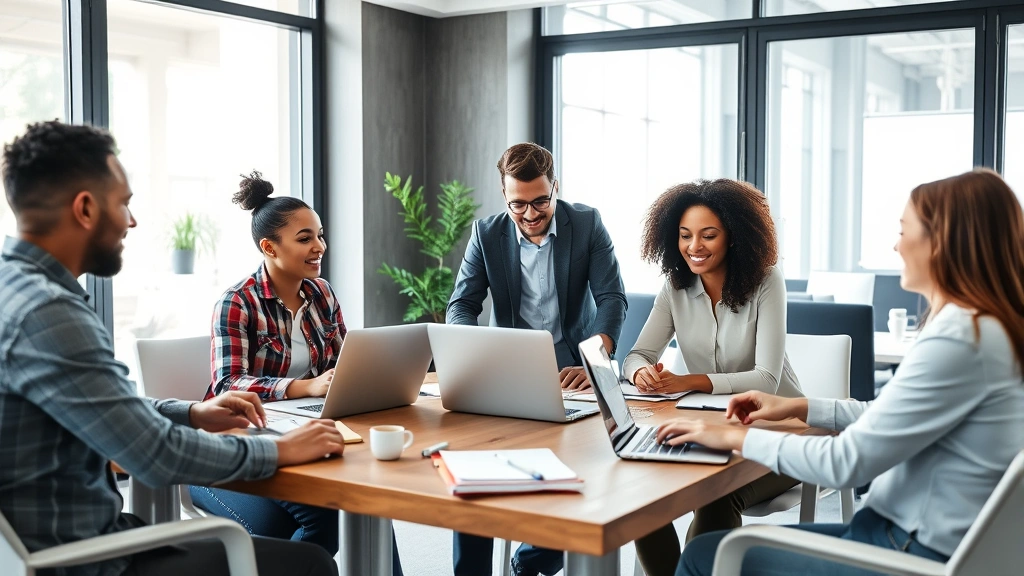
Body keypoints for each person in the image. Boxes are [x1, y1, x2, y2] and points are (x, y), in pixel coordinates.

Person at [0, 120, 342, 576]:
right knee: (311, 564)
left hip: (53, 541)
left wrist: (191, 412)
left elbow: (104, 405)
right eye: (124, 205)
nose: (132, 221)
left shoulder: (14, 290)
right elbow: (156, 455)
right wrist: (280, 451)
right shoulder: (50, 313)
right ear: (85, 209)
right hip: (86, 559)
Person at [660, 168, 1024, 576]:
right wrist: (797, 407)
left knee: (704, 556)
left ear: (944, 242)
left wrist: (731, 437)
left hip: (904, 551)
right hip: (915, 540)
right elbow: (887, 416)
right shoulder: (991, 330)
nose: (896, 245)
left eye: (904, 232)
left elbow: (846, 462)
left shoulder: (960, 339)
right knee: (715, 548)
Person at [190, 172, 404, 574]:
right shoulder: (236, 303)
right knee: (327, 516)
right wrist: (303, 386)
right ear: (269, 247)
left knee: (370, 498)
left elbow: (345, 362)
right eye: (305, 239)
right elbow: (228, 384)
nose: (319, 247)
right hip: (226, 454)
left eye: (320, 235)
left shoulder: (321, 294)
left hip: (298, 434)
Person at [446, 142, 627, 576]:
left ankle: (528, 561)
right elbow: (461, 305)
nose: (530, 214)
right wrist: (474, 352)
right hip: (505, 372)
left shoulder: (586, 224)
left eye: (541, 201)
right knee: (475, 474)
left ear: (556, 189)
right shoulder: (486, 233)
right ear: (504, 197)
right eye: (518, 204)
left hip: (573, 373)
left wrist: (594, 356)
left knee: (583, 482)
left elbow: (611, 297)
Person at [621, 179, 805, 576]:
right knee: (642, 498)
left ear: (734, 237)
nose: (694, 247)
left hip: (783, 432)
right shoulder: (675, 287)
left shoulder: (767, 280)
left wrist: (688, 381)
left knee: (718, 497)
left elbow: (766, 379)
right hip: (712, 428)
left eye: (709, 235)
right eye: (685, 235)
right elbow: (637, 354)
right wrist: (639, 372)